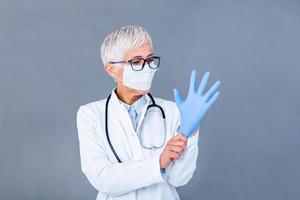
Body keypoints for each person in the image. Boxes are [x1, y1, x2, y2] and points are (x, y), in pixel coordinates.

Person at [76, 25, 221, 200]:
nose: (147, 67)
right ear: (111, 69)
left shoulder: (173, 111)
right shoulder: (90, 115)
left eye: (150, 59)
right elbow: (103, 178)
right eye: (136, 62)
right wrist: (159, 162)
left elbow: (179, 178)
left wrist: (192, 131)